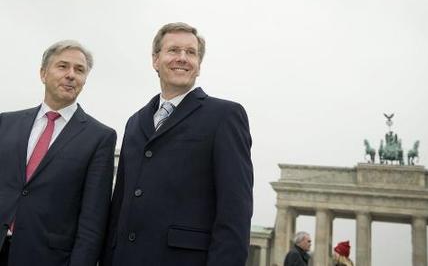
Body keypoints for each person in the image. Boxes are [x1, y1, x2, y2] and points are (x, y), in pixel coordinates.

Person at [100, 22, 253, 266]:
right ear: (155, 60)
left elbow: (235, 211)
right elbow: (120, 203)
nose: (182, 58)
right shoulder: (134, 122)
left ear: (199, 65)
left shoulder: (225, 116)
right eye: (173, 50)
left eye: (191, 52)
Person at [0, 40, 117, 266]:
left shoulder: (99, 137)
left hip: (47, 258)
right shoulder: (5, 122)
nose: (71, 75)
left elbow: (92, 220)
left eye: (79, 70)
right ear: (43, 73)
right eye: (63, 66)